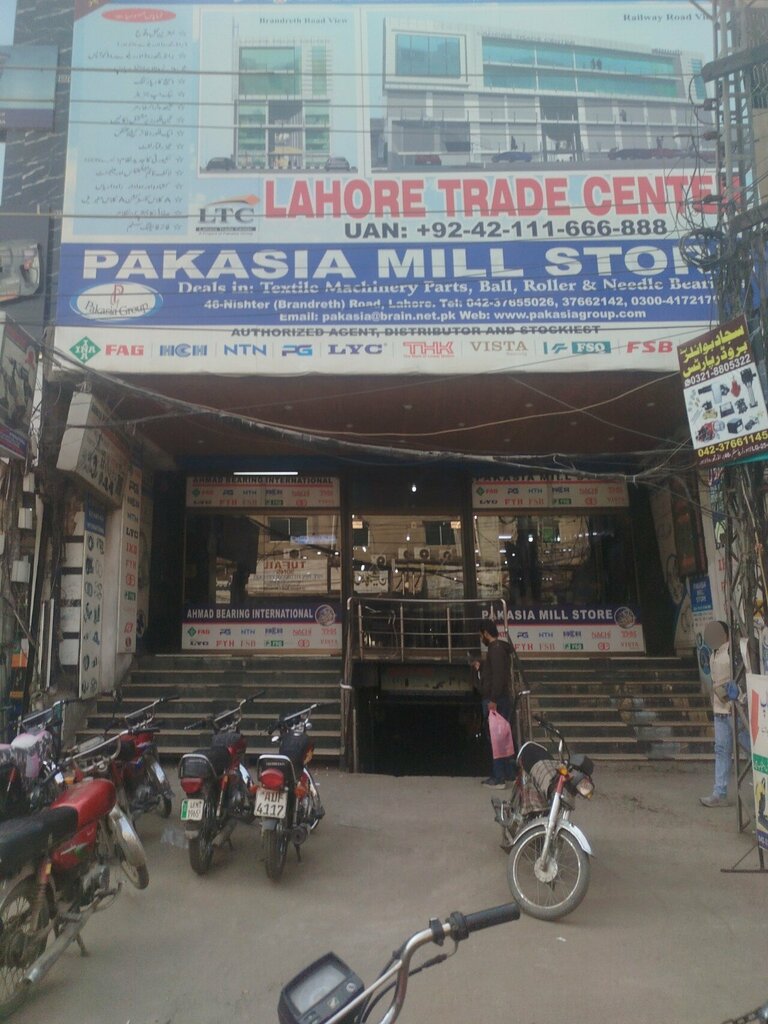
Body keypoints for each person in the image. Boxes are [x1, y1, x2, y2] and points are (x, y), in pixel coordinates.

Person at [700, 620, 750, 807]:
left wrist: (739, 693)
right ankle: (718, 792)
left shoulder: (733, 652)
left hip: (734, 710)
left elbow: (744, 675)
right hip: (720, 710)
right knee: (721, 750)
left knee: (751, 749)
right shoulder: (714, 653)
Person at [472, 620, 515, 788]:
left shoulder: (495, 650)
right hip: (499, 698)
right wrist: (482, 666)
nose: (480, 637)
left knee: (496, 740)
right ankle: (508, 773)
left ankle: (498, 777)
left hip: (496, 700)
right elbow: (497, 672)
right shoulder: (498, 649)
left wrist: (493, 700)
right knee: (503, 738)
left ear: (485, 633)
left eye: (480, 634)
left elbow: (498, 676)